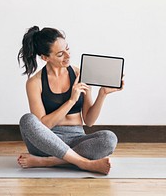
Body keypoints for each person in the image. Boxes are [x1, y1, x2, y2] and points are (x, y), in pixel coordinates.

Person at [17, 26, 124, 175]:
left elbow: (89, 121)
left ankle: (49, 162)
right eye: (60, 54)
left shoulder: (79, 73)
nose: (67, 56)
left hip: (76, 139)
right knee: (27, 120)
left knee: (109, 139)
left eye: (68, 49)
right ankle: (84, 163)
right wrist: (72, 101)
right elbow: (44, 125)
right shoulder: (34, 83)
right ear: (45, 57)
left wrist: (102, 94)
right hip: (47, 142)